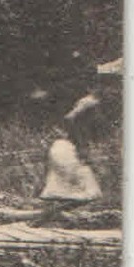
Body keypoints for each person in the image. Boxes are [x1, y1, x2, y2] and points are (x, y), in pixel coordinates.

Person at [36, 92, 104, 224]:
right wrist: (80, 145)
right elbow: (70, 118)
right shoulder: (90, 102)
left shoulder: (90, 103)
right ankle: (43, 219)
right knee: (89, 193)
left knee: (79, 193)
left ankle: (45, 219)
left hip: (65, 148)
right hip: (67, 149)